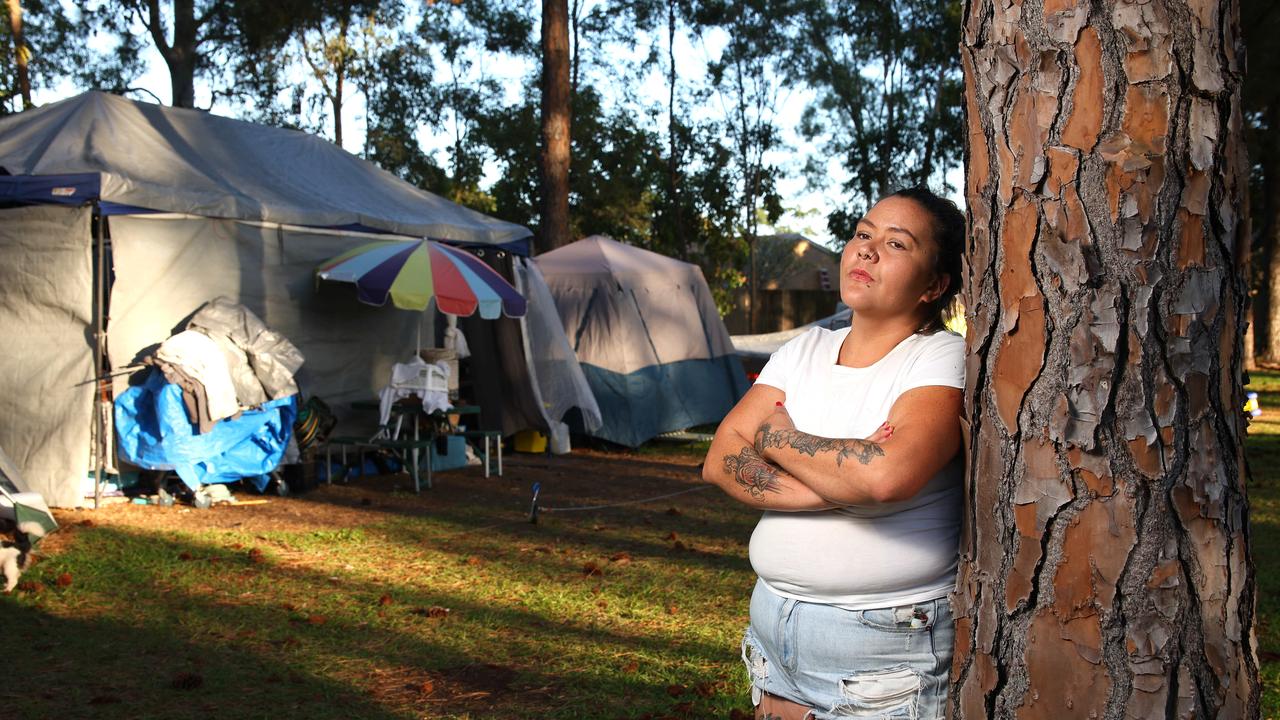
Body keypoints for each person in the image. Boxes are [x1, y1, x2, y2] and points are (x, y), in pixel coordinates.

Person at [703, 187, 966, 720]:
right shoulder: (804, 350)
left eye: (896, 244)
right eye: (862, 234)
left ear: (934, 284)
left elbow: (884, 478)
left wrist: (775, 437)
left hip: (883, 650)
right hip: (773, 629)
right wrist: (839, 480)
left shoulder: (943, 356)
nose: (866, 250)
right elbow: (720, 458)